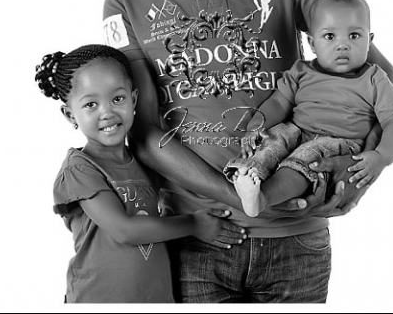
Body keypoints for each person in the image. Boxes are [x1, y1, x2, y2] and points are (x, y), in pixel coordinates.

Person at [102, 0, 393, 302]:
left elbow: (380, 77)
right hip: (199, 235)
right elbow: (144, 132)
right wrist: (242, 197)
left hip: (297, 234)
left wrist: (358, 166)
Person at [36, 44, 246, 303]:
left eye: (118, 99)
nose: (107, 112)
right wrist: (193, 224)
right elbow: (124, 230)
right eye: (91, 104)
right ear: (70, 115)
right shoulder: (79, 168)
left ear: (133, 99)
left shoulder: (143, 161)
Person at [224, 0, 393, 217]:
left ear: (369, 41)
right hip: (298, 130)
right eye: (330, 36)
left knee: (307, 158)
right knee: (273, 138)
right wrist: (256, 126)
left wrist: (381, 156)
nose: (343, 45)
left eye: (354, 35)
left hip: (339, 142)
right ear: (312, 43)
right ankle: (248, 174)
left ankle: (263, 198)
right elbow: (279, 102)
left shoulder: (374, 79)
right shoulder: (302, 71)